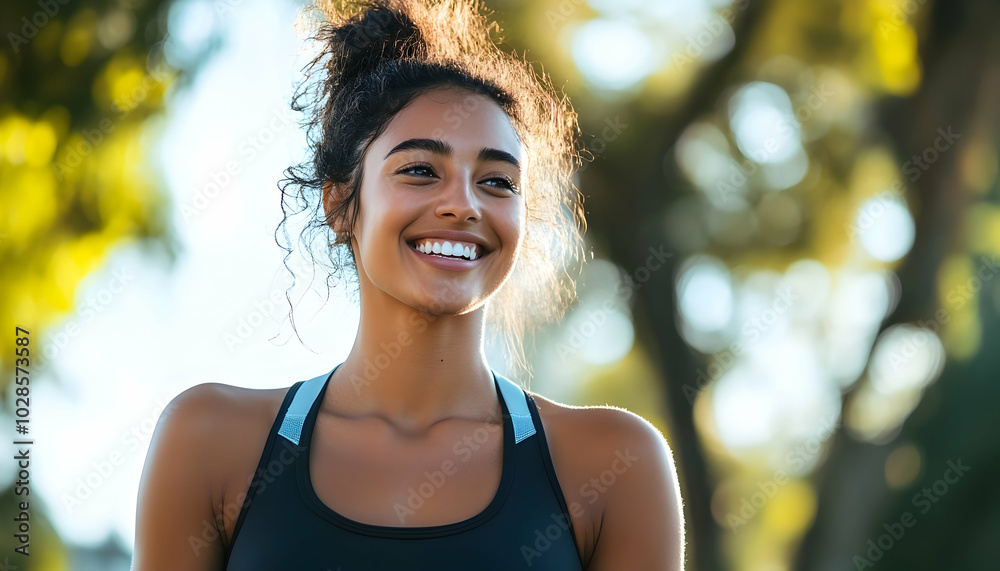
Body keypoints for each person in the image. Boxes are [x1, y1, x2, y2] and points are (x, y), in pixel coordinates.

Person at [132, 0, 684, 569]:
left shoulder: (614, 465)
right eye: (420, 170)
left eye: (497, 181)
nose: (463, 205)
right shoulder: (208, 441)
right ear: (341, 204)